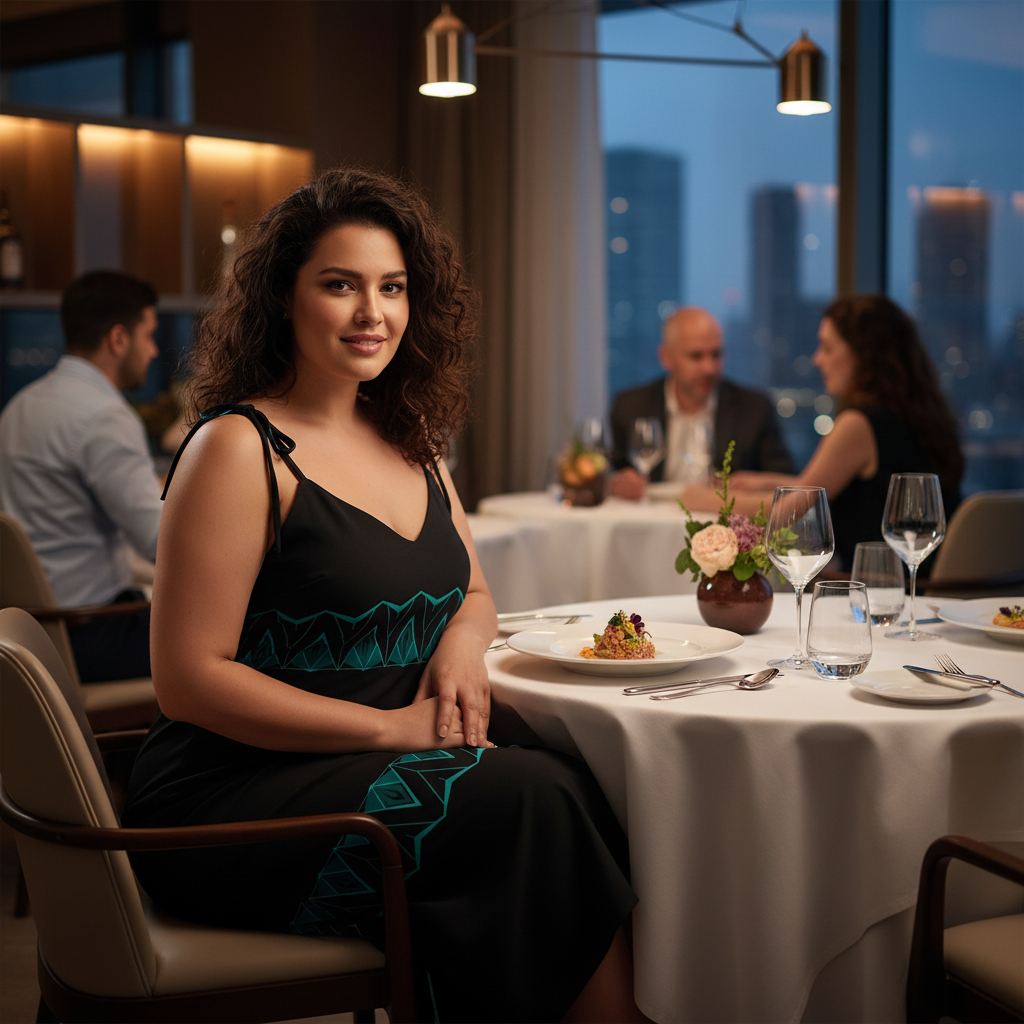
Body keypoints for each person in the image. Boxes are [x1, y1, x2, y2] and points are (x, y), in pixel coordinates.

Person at [122, 169, 646, 1024]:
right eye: (341, 285)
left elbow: (474, 590)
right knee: (530, 801)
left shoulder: (415, 442)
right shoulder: (236, 446)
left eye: (392, 287)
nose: (374, 313)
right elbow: (187, 679)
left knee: (580, 783)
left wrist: (461, 643)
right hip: (231, 801)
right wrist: (389, 728)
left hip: (383, 769)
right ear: (282, 298)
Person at [681, 294, 963, 571]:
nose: (817, 359)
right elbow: (832, 486)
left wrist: (708, 500)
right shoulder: (911, 415)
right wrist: (761, 481)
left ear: (864, 355)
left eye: (827, 348)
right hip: (925, 582)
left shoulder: (858, 424)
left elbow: (789, 512)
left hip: (879, 590)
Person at [0, 270, 161, 681]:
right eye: (149, 335)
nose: (154, 351)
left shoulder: (20, 406)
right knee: (249, 637)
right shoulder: (104, 416)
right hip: (89, 636)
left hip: (28, 633)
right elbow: (162, 541)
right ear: (118, 339)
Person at [609, 306, 794, 500]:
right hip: (651, 525)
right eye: (696, 356)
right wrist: (616, 482)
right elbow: (608, 472)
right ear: (666, 357)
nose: (709, 368)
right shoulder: (630, 406)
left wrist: (750, 486)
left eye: (716, 355)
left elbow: (787, 486)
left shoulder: (753, 408)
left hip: (722, 524)